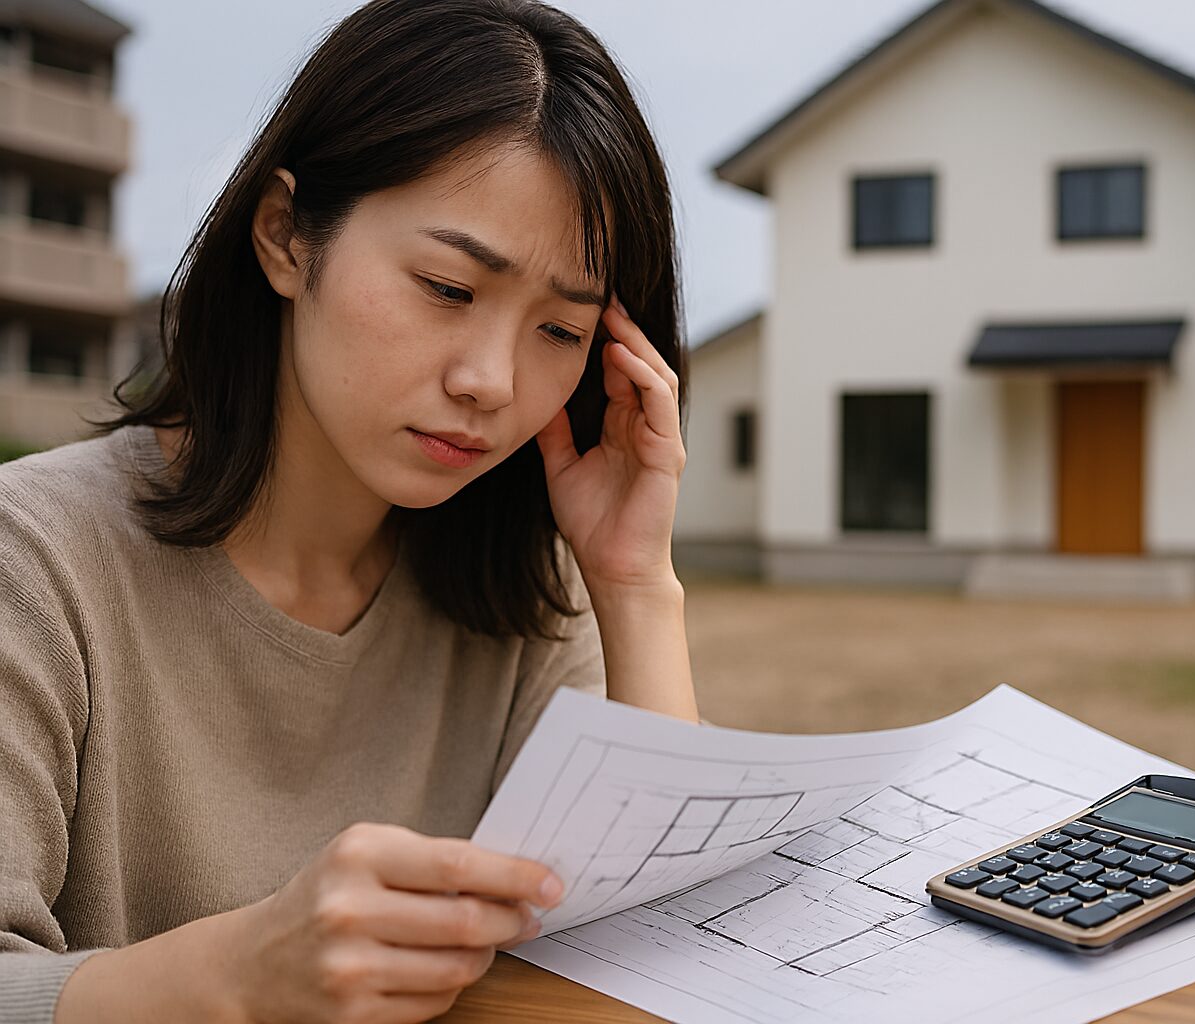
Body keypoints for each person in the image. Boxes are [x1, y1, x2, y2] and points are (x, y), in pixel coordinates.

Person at [0, 1, 697, 1020]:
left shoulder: (524, 605)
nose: (490, 380)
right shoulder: (39, 558)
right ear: (285, 236)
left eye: (560, 328)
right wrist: (236, 978)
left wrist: (637, 587)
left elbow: (657, 968)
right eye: (448, 288)